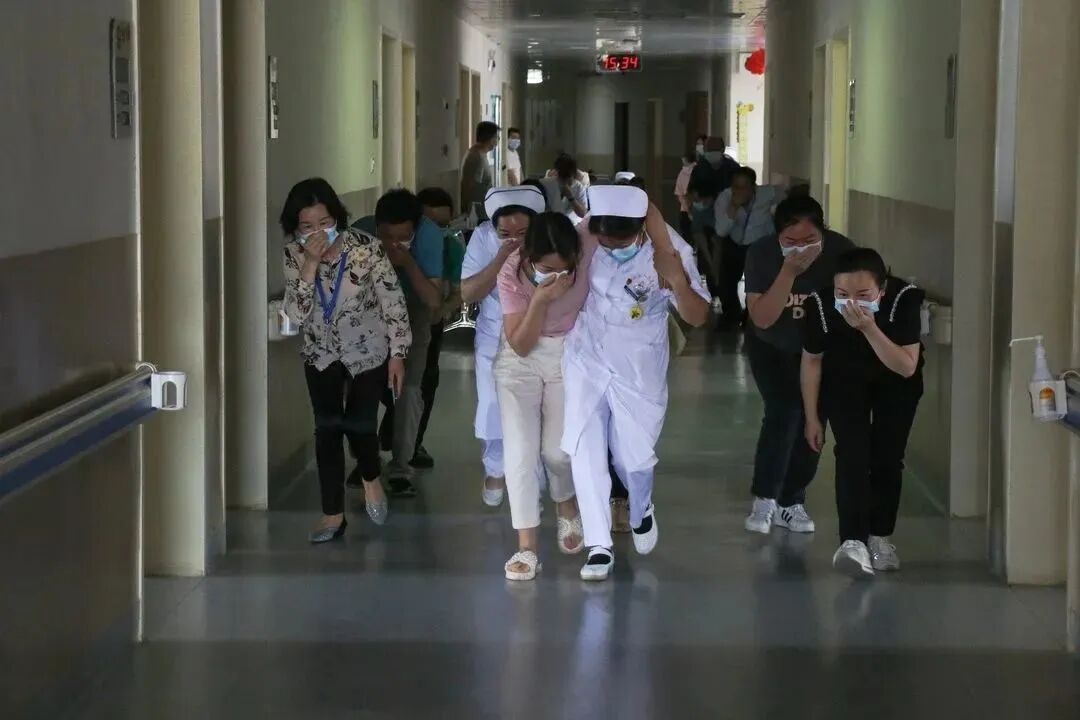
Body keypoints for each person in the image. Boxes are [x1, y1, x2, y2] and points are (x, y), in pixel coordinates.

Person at [563, 185, 710, 581]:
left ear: (640, 229)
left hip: (638, 365)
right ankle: (599, 545)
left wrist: (677, 281)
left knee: (632, 458)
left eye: (621, 243)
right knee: (584, 449)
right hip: (586, 358)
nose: (612, 249)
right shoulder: (583, 236)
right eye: (605, 242)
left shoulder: (670, 251)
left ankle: (641, 507)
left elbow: (698, 316)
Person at [280, 178, 411, 543]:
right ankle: (332, 514)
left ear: (336, 217)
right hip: (320, 351)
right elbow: (296, 314)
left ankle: (370, 476)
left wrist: (398, 354)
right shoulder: (294, 254)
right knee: (327, 428)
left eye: (324, 222)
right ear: (295, 227)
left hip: (367, 347)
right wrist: (310, 263)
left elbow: (393, 301)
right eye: (307, 226)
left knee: (359, 423)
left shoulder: (366, 248)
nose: (317, 232)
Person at [801, 248, 924, 577]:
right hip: (844, 378)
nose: (851, 303)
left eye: (863, 295)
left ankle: (880, 537)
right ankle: (852, 542)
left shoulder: (904, 300)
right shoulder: (821, 305)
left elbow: (907, 366)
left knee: (887, 457)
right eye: (843, 294)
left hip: (895, 379)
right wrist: (812, 417)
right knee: (851, 454)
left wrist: (870, 329)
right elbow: (811, 361)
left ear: (882, 290)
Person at [742, 195, 854, 536]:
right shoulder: (761, 253)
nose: (802, 248)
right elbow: (762, 318)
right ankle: (765, 497)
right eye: (791, 241)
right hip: (772, 346)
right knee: (784, 408)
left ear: (824, 232)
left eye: (810, 240)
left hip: (819, 349)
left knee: (814, 417)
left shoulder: (842, 252)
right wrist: (788, 272)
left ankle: (791, 500)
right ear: (777, 236)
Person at [495, 212, 590, 580]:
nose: (558, 277)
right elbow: (520, 344)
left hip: (567, 354)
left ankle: (565, 502)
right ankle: (527, 546)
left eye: (565, 270)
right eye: (546, 270)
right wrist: (539, 300)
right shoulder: (511, 273)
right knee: (520, 453)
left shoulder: (585, 244)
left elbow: (627, 208)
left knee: (558, 451)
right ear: (529, 256)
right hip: (520, 359)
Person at [352, 190, 444, 497]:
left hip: (414, 309)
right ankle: (365, 461)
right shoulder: (360, 233)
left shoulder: (429, 237)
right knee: (358, 387)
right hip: (367, 312)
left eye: (403, 238)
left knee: (409, 390)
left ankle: (402, 467)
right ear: (376, 227)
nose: (393, 243)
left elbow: (433, 300)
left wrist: (407, 263)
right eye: (387, 236)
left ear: (415, 230)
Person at [461, 186, 548, 506]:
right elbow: (468, 292)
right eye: (505, 234)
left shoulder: (548, 239)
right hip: (494, 334)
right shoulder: (483, 238)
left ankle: (532, 481)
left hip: (540, 334)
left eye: (522, 233)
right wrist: (501, 258)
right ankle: (495, 467)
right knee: (492, 405)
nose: (514, 240)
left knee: (536, 410)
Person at [406, 187, 464, 469]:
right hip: (392, 322)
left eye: (444, 224)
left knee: (425, 383)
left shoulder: (452, 246)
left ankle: (413, 444)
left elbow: (460, 291)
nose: (438, 231)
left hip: (430, 323)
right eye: (431, 224)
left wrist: (439, 312)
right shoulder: (405, 245)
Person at [713, 166, 788, 330]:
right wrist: (733, 208)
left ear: (753, 187)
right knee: (727, 282)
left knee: (757, 282)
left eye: (744, 187)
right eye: (736, 187)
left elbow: (785, 194)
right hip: (734, 243)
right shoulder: (724, 199)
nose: (739, 191)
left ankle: (751, 316)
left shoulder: (766, 194)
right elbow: (721, 231)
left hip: (759, 244)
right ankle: (731, 314)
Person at [461, 121, 499, 215]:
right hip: (478, 212)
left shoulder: (481, 154)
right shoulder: (476, 156)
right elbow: (469, 186)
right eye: (496, 137)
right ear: (489, 138)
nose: (498, 140)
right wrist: (468, 212)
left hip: (484, 208)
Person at [674, 151, 696, 243]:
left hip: (685, 208)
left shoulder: (683, 173)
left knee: (686, 235)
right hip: (697, 207)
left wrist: (685, 205)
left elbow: (679, 192)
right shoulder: (699, 170)